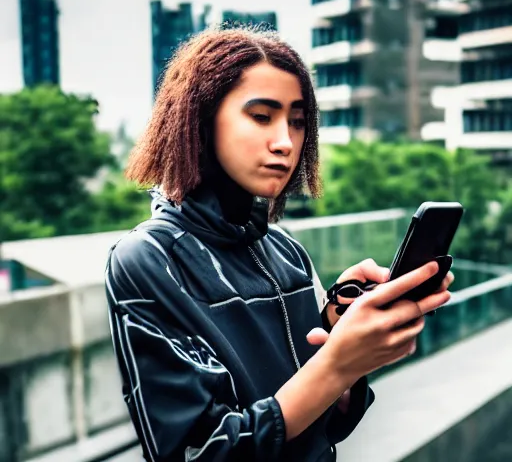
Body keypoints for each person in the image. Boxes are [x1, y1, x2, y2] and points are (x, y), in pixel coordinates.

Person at [105, 26, 452, 461]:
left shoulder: (287, 253)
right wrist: (336, 364)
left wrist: (340, 335)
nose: (285, 142)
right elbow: (198, 452)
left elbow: (329, 426)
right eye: (262, 116)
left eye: (298, 121)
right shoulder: (147, 260)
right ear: (201, 119)